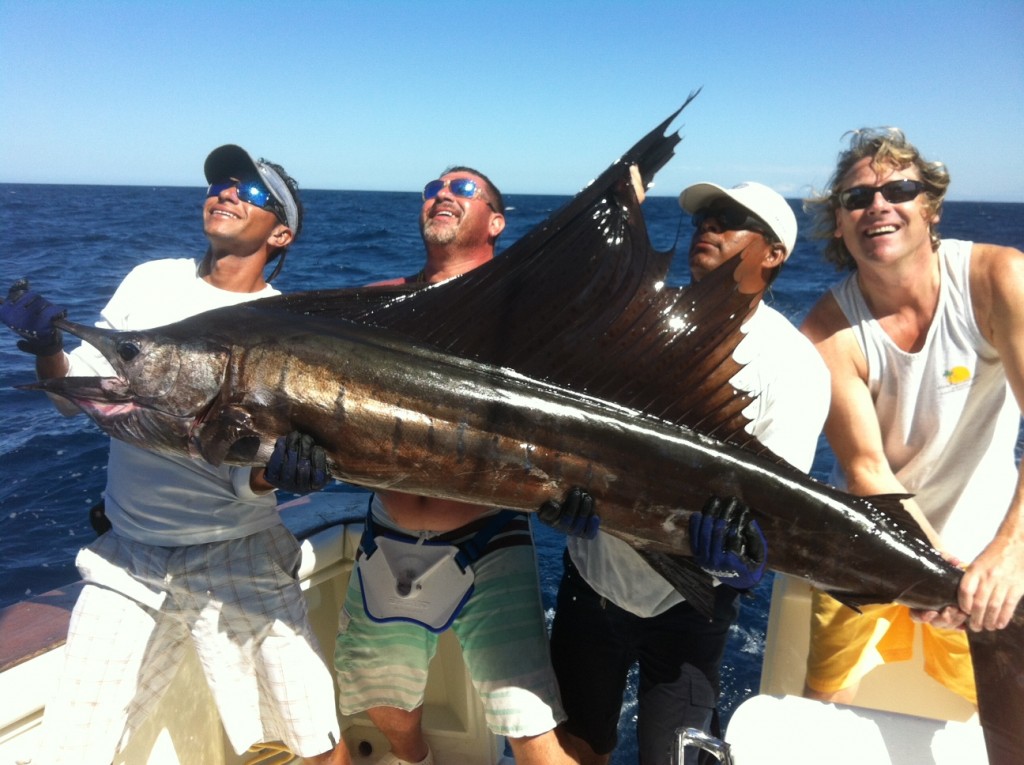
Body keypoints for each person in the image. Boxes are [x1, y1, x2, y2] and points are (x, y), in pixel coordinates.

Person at [0, 146, 350, 765]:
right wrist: (48, 347)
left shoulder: (286, 324)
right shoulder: (150, 280)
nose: (227, 193)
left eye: (252, 193)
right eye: (220, 183)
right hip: (129, 557)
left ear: (282, 232)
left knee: (312, 737)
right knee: (71, 748)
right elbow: (70, 396)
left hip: (242, 551)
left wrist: (276, 477)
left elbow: (264, 461)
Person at [546, 182, 831, 765]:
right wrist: (553, 497)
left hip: (691, 606)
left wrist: (738, 554)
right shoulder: (633, 324)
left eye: (729, 219)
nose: (709, 225)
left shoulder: (795, 364)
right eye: (704, 216)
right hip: (593, 580)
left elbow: (772, 516)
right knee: (577, 744)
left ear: (774, 253)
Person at [332, 167, 579, 765]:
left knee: (530, 729)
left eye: (464, 189)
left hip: (489, 536)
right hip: (387, 532)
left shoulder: (524, 313)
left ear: (496, 221)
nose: (443, 194)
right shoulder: (380, 301)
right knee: (383, 707)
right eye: (434, 188)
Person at [800, 128, 1024, 706]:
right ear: (841, 224)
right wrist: (931, 569)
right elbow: (868, 470)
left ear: (930, 207)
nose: (877, 204)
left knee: (1000, 723)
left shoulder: (997, 279)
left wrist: (1007, 554)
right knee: (819, 718)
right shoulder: (826, 330)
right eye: (855, 198)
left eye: (899, 188)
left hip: (991, 556)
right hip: (875, 546)